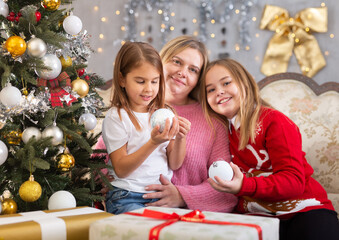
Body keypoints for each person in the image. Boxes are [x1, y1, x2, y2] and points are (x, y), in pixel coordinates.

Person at [201, 58, 339, 240]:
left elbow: (293, 181)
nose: (219, 91)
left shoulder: (274, 122)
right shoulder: (221, 131)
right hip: (259, 215)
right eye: (211, 89)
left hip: (305, 209)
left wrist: (243, 185)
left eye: (226, 83)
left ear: (245, 84)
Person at [141, 36, 238, 212]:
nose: (182, 72)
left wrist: (182, 196)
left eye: (193, 70)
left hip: (188, 218)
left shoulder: (213, 121)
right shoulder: (135, 106)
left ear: (198, 80)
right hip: (129, 209)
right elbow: (103, 157)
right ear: (160, 62)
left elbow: (226, 185)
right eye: (177, 62)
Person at [101, 41, 190, 214]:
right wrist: (153, 142)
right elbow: (121, 169)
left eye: (154, 81)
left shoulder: (165, 113)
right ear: (122, 79)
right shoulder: (117, 117)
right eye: (141, 81)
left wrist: (180, 138)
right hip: (126, 196)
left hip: (159, 197)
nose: (148, 89)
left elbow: (175, 163)